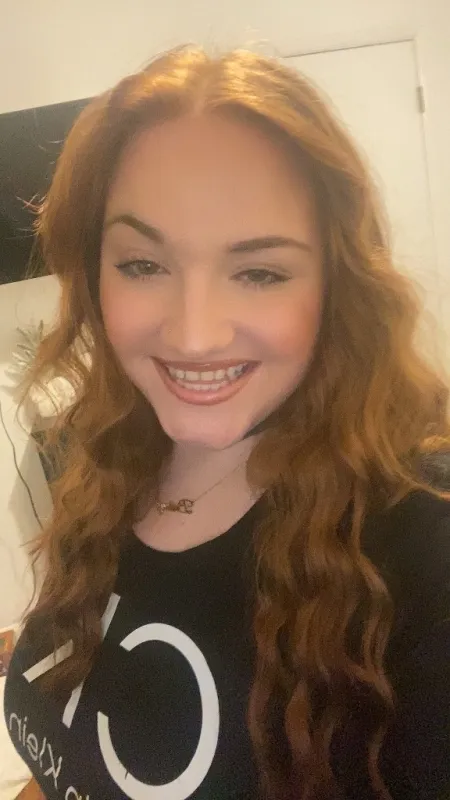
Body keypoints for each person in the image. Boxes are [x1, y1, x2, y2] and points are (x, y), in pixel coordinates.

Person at [4, 45, 450, 800]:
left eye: (259, 271)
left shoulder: (422, 537)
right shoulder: (110, 456)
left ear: (337, 285)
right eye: (144, 264)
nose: (195, 335)